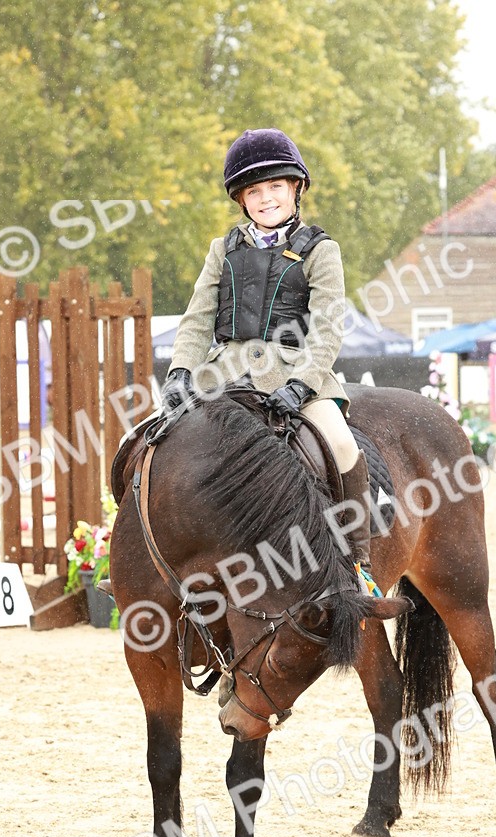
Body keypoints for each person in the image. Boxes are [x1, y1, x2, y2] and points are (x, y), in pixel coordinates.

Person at [161, 127, 380, 596]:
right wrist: (180, 372)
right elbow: (197, 318)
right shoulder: (222, 251)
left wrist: (302, 385)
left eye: (275, 187)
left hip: (298, 375)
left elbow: (327, 327)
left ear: (295, 188)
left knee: (342, 447)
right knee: (151, 443)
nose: (265, 199)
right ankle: (151, 558)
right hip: (223, 375)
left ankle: (359, 562)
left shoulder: (321, 250)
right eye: (254, 191)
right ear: (242, 199)